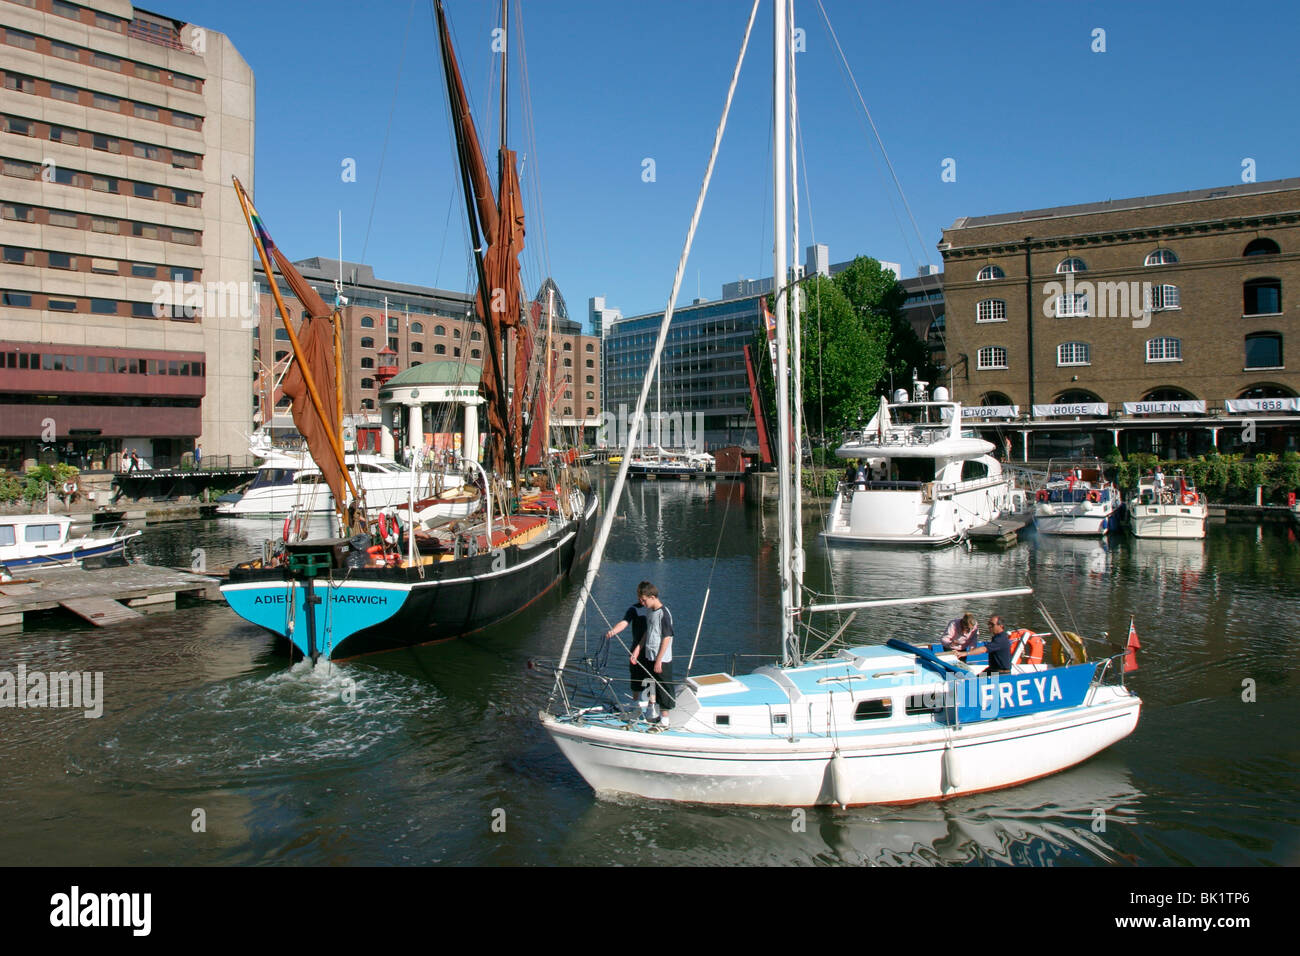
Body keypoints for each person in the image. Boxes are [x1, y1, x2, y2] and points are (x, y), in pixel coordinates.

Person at [605, 581, 675, 726]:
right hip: (648, 653)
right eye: (640, 599)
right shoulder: (646, 610)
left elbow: (667, 637)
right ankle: (638, 707)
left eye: (643, 599)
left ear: (652, 597)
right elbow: (643, 631)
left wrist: (659, 660)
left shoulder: (662, 613)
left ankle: (663, 718)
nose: (641, 602)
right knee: (645, 680)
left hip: (659, 657)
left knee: (661, 684)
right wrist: (636, 648)